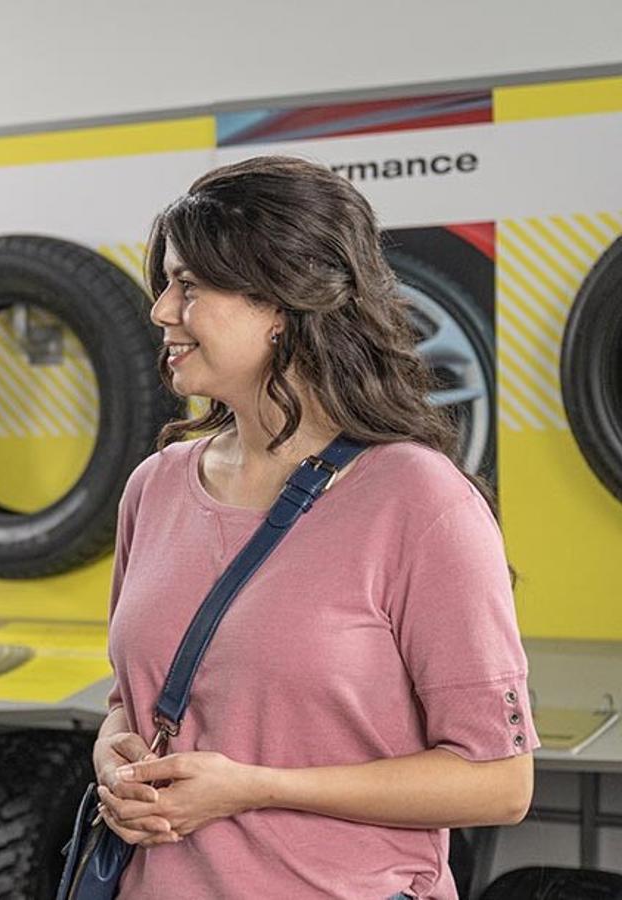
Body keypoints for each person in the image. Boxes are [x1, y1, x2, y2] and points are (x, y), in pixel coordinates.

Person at [90, 157, 535, 899]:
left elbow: (500, 783)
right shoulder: (154, 487)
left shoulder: (418, 499)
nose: (162, 310)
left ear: (281, 303)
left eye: (189, 287)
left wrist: (256, 787)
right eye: (166, 284)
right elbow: (128, 699)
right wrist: (113, 758)